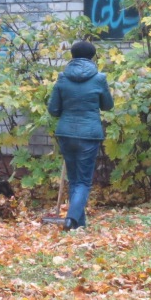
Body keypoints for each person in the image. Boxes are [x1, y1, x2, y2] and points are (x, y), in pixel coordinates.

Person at [44, 40, 114, 231]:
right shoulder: (99, 78)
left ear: (72, 56)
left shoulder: (62, 78)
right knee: (83, 181)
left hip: (65, 133)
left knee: (75, 180)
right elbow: (108, 105)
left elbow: (53, 110)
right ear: (92, 57)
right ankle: (71, 219)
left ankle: (78, 223)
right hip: (89, 135)